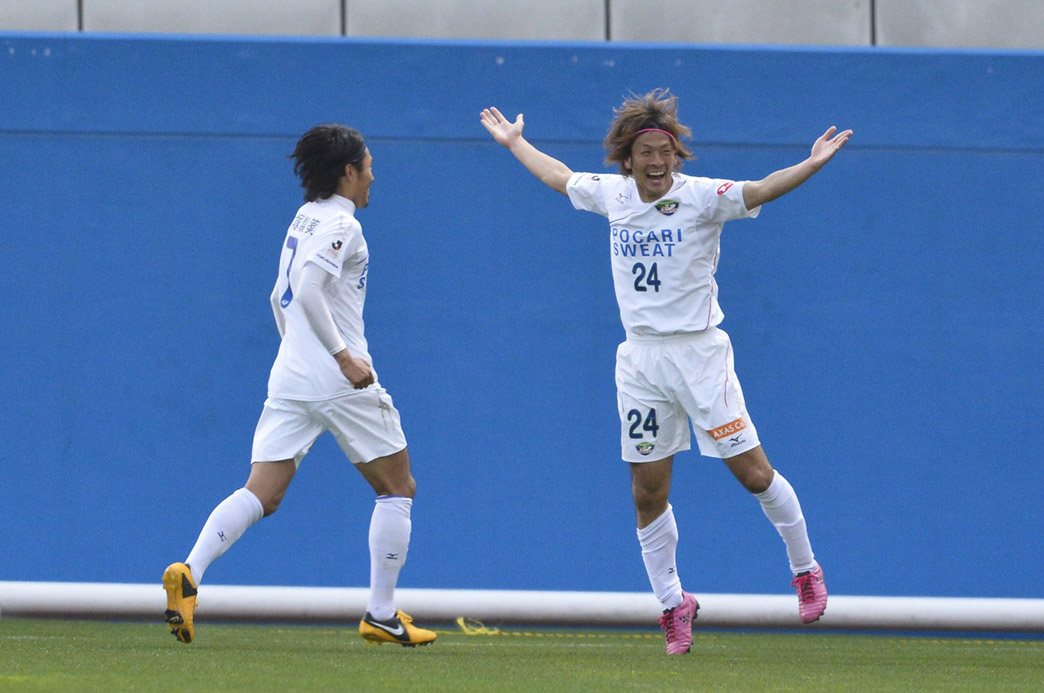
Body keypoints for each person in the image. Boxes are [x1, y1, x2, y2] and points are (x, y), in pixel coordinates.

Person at [481, 90, 851, 655]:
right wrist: (515, 143)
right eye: (646, 152)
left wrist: (810, 164)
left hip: (701, 356)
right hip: (640, 361)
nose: (657, 162)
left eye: (666, 152)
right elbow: (559, 176)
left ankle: (805, 570)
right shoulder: (613, 195)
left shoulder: (702, 198)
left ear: (677, 157)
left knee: (753, 473)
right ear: (627, 159)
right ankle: (673, 603)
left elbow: (759, 189)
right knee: (647, 492)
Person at [162, 123, 436, 648]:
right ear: (349, 171)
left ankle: (190, 572)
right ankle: (380, 613)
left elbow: (277, 295)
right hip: (337, 376)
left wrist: (300, 352)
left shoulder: (304, 218)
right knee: (398, 487)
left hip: (290, 372)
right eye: (370, 166)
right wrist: (342, 358)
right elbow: (309, 289)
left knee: (262, 492)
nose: (374, 177)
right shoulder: (341, 225)